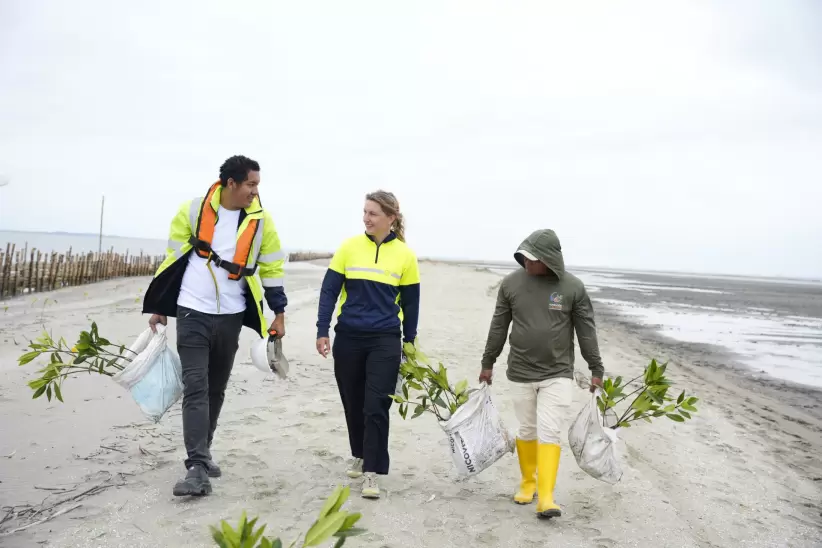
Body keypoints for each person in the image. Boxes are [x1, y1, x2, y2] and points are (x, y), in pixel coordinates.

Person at [142, 155, 288, 497]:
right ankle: (196, 466)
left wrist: (278, 313)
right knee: (195, 385)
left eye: (258, 186)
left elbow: (272, 268)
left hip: (232, 314)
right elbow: (173, 258)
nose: (255, 192)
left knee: (216, 388)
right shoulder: (192, 212)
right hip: (192, 309)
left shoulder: (262, 221)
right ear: (231, 183)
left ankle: (202, 453)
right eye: (250, 185)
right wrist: (161, 307)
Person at [479, 228, 604, 519]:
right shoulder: (511, 284)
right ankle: (528, 482)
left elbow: (586, 331)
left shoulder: (572, 288)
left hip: (558, 372)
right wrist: (488, 362)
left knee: (550, 431)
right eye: (523, 257)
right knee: (527, 430)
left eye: (532, 258)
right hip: (520, 371)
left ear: (549, 259)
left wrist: (596, 368)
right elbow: (499, 326)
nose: (526, 262)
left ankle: (546, 497)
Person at [315, 190, 420, 500]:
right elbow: (329, 292)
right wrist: (323, 330)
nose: (366, 218)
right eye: (365, 212)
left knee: (376, 405)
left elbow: (412, 306)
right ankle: (359, 453)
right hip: (348, 337)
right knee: (353, 401)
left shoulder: (405, 256)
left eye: (373, 213)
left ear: (391, 218)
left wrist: (409, 343)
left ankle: (372, 472)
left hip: (385, 339)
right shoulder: (348, 248)